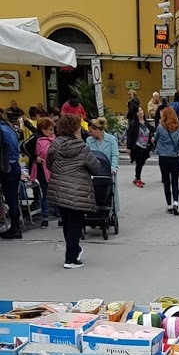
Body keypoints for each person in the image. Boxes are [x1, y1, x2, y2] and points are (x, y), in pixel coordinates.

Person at [47, 114, 97, 268]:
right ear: (75, 128)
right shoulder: (81, 146)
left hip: (59, 188)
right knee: (75, 224)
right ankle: (71, 259)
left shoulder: (55, 144)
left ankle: (74, 250)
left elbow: (49, 164)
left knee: (67, 223)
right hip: (77, 190)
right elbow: (95, 167)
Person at [153, 104, 179, 216]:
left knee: (166, 182)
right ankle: (176, 203)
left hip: (163, 158)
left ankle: (169, 205)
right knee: (175, 182)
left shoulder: (160, 127)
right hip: (175, 157)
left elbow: (156, 139)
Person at [87, 117, 120, 214]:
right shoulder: (89, 140)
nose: (90, 133)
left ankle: (111, 209)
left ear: (97, 130)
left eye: (91, 131)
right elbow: (87, 155)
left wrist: (113, 167)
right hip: (95, 170)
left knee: (110, 190)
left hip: (107, 170)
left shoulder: (111, 139)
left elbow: (114, 155)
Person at [0, 110, 23, 241]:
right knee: (13, 197)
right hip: (15, 166)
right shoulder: (8, 127)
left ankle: (15, 228)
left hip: (7, 167)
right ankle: (16, 227)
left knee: (10, 199)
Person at [30, 116, 56, 228]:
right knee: (45, 194)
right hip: (42, 170)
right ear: (43, 129)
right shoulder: (36, 137)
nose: (52, 132)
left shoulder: (53, 138)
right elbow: (24, 146)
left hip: (53, 169)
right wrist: (35, 157)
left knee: (56, 193)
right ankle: (45, 218)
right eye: (50, 129)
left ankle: (59, 215)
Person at [126, 107, 153, 187]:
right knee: (139, 163)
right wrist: (129, 147)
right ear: (136, 114)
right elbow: (130, 135)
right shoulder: (133, 123)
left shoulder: (146, 123)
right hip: (137, 146)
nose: (140, 112)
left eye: (141, 110)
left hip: (145, 146)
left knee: (142, 162)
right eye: (138, 111)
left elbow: (150, 131)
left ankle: (136, 178)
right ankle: (138, 179)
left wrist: (152, 137)